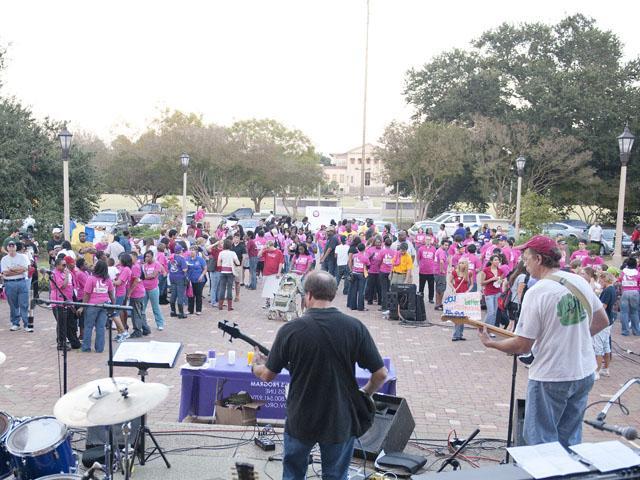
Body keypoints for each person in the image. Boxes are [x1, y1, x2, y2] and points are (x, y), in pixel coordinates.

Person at [250, 270, 388, 479]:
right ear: (333, 294)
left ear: (309, 294)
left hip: (301, 417)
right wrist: (365, 392)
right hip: (339, 418)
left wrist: (255, 366)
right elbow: (381, 374)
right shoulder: (354, 327)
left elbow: (268, 375)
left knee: (293, 474)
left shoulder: (291, 330)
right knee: (335, 475)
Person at [479, 235, 609, 448]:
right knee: (570, 440)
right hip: (584, 372)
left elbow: (522, 345)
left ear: (538, 259)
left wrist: (490, 343)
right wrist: (574, 339)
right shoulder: (579, 281)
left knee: (541, 442)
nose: (524, 263)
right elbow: (602, 320)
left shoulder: (537, 292)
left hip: (551, 376)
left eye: (526, 258)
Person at [81, 260, 115, 353]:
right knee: (101, 327)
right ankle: (99, 348)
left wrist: (83, 306)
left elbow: (87, 294)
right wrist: (113, 305)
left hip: (92, 305)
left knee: (88, 327)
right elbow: (111, 294)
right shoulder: (108, 279)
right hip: (104, 304)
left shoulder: (91, 278)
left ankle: (86, 347)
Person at [49, 257, 81, 350]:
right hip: (59, 302)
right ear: (57, 265)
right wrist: (67, 275)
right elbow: (63, 286)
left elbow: (73, 286)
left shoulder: (67, 272)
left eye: (65, 265)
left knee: (70, 323)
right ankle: (61, 343)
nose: (65, 267)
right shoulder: (55, 274)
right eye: (63, 265)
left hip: (68, 301)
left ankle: (74, 342)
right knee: (62, 324)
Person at [1, 239, 31, 331]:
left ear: (15, 247)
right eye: (9, 246)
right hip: (9, 283)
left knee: (24, 304)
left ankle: (27, 324)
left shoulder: (22, 257)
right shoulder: (4, 259)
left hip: (21, 282)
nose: (11, 247)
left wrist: (11, 270)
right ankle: (15, 323)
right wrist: (17, 270)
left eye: (12, 246)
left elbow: (25, 269)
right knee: (13, 305)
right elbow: (4, 272)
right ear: (7, 248)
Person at [594, 272, 615, 379]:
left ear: (605, 280)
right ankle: (605, 368)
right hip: (609, 320)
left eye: (601, 280)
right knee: (606, 346)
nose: (600, 282)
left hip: (603, 321)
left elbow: (603, 306)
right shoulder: (612, 289)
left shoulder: (607, 291)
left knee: (598, 347)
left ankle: (596, 371)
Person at [127, 252, 151, 338]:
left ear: (135, 257)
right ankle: (145, 328)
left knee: (136, 312)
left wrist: (129, 292)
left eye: (131, 257)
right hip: (139, 291)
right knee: (140, 311)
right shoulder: (137, 266)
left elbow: (136, 281)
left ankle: (137, 330)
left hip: (136, 293)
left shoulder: (135, 267)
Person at [141, 250, 166, 330]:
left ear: (152, 257)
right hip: (144, 289)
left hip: (153, 289)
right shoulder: (144, 265)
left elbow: (154, 275)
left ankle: (160, 324)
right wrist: (145, 276)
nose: (146, 258)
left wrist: (145, 276)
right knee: (142, 308)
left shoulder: (156, 264)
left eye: (148, 256)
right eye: (145, 256)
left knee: (155, 307)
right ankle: (143, 324)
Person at [449, 258, 473, 341]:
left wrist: (468, 291)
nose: (461, 265)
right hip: (457, 295)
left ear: (466, 264)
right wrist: (453, 288)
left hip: (464, 296)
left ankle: (460, 334)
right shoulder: (455, 272)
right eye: (460, 263)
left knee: (463, 315)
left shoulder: (469, 273)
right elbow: (449, 281)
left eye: (463, 263)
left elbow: (472, 284)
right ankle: (456, 334)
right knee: (457, 315)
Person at [618, 257, 640, 336]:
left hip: (625, 292)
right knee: (634, 312)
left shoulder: (623, 272)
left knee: (624, 312)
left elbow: (619, 280)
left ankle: (625, 331)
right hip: (635, 292)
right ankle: (636, 331)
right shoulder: (637, 273)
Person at [481, 255, 504, 327]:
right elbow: (482, 282)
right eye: (495, 260)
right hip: (489, 293)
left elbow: (501, 281)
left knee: (495, 313)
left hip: (498, 292)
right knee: (490, 312)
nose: (497, 262)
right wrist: (491, 279)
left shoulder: (500, 271)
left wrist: (501, 281)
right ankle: (484, 327)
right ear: (491, 261)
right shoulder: (485, 270)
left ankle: (491, 330)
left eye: (498, 260)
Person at [260, 241, 284, 309]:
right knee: (266, 289)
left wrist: (279, 272)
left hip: (274, 273)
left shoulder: (278, 252)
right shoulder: (267, 251)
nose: (267, 249)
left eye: (268, 247)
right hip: (266, 272)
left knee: (274, 289)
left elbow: (281, 263)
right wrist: (263, 249)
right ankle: (267, 303)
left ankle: (274, 303)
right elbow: (259, 255)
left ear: (271, 246)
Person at [217, 238, 240, 311]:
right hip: (230, 272)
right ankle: (229, 307)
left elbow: (218, 263)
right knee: (229, 288)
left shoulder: (221, 253)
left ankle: (220, 305)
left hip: (223, 271)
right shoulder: (233, 253)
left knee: (222, 288)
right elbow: (238, 263)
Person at [347, 243, 370, 311]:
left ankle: (353, 306)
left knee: (354, 290)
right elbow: (368, 265)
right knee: (361, 291)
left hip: (354, 273)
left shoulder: (354, 255)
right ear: (364, 249)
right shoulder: (365, 257)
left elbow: (352, 262)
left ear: (358, 249)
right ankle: (360, 307)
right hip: (361, 274)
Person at [169, 245, 189, 319]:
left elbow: (169, 267)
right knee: (180, 295)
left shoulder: (171, 258)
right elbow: (184, 269)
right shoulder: (181, 258)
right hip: (180, 278)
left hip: (172, 277)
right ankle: (181, 313)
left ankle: (173, 312)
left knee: (173, 294)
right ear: (180, 251)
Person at [186, 245, 207, 315]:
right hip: (190, 280)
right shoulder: (187, 259)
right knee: (190, 295)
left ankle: (198, 310)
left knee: (198, 295)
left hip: (199, 280)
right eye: (190, 250)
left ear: (196, 251)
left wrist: (201, 275)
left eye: (193, 250)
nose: (191, 251)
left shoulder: (200, 259)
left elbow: (205, 268)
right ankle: (190, 310)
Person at [434, 239, 450, 311]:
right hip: (440, 274)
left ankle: (438, 304)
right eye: (445, 245)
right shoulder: (442, 252)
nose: (447, 246)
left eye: (447, 245)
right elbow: (441, 262)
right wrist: (442, 270)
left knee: (438, 289)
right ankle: (439, 304)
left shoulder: (439, 250)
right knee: (441, 289)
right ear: (442, 244)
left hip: (437, 272)